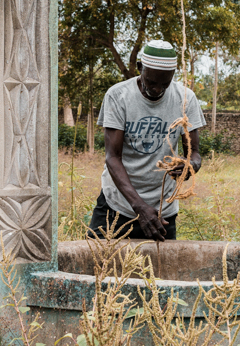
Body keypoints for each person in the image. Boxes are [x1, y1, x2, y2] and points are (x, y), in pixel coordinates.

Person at [87, 39, 205, 242]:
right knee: (97, 266)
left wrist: (189, 166)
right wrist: (139, 207)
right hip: (117, 205)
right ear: (140, 68)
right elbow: (112, 158)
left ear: (172, 76)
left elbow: (194, 153)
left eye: (164, 84)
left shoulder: (185, 99)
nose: (158, 89)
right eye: (151, 82)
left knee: (159, 271)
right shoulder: (118, 96)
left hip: (161, 210)